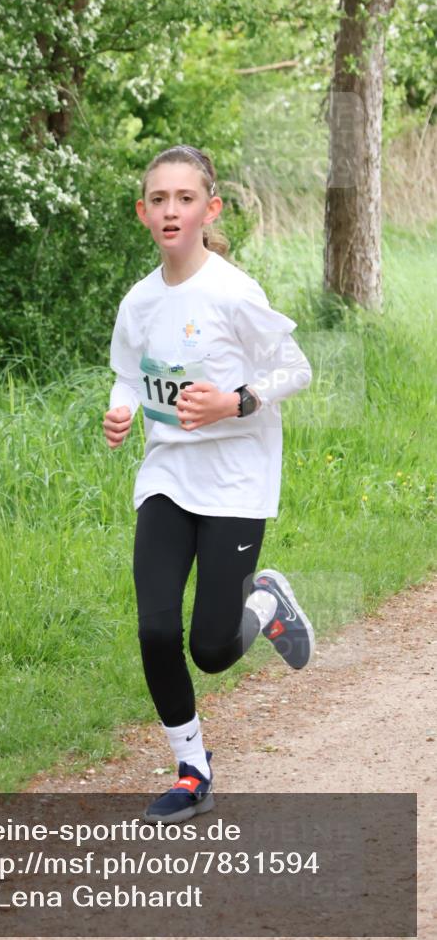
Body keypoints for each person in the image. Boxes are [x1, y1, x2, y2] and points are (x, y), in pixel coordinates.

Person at [102, 144, 315, 824]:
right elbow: (129, 373)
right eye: (158, 200)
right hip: (166, 476)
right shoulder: (137, 302)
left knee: (211, 649)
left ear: (208, 210)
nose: (170, 210)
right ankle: (192, 770)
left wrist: (235, 402)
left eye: (184, 199)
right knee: (157, 631)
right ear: (143, 213)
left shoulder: (231, 291)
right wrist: (122, 408)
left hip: (234, 481)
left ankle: (265, 604)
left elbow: (296, 369)